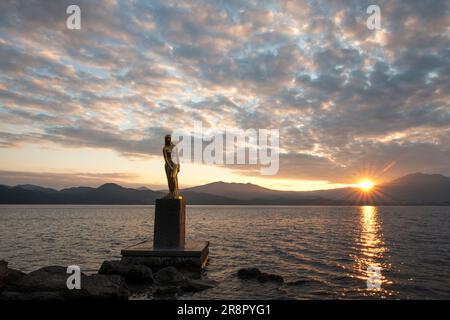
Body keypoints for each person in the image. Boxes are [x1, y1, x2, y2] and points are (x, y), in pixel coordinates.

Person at [163, 134, 181, 199]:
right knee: (169, 179)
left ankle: (176, 192)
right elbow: (166, 159)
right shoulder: (165, 148)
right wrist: (170, 166)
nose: (168, 139)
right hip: (168, 164)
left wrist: (179, 166)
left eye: (169, 138)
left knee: (173, 177)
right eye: (167, 138)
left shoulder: (174, 147)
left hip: (175, 163)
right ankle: (171, 192)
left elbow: (177, 157)